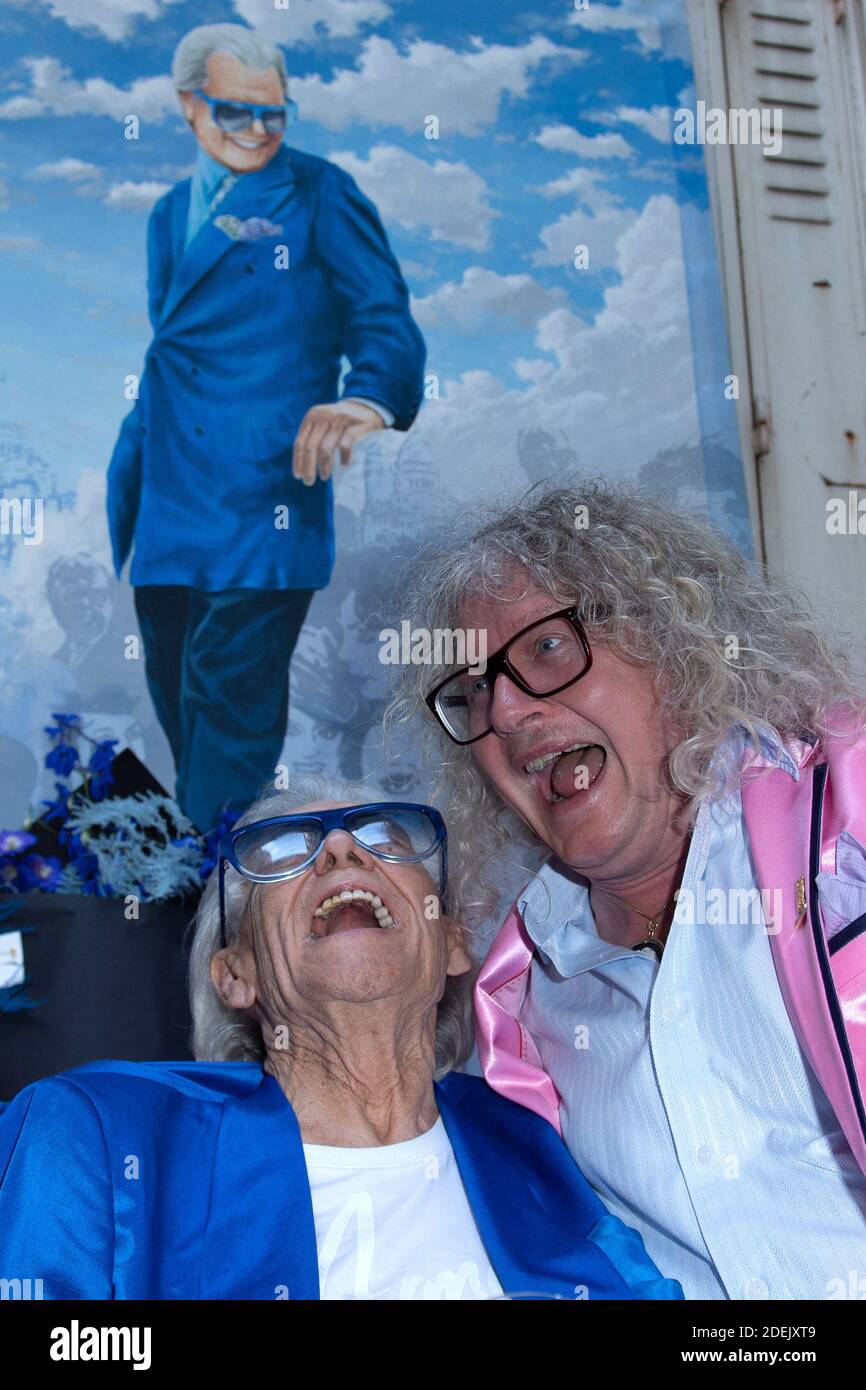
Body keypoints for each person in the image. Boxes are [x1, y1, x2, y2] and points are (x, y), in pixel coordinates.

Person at [392, 478, 866, 1300]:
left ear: (675, 643)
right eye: (472, 691)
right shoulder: (519, 1015)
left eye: (544, 647)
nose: (503, 712)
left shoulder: (848, 815)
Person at [0, 776, 681, 1302]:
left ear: (451, 944)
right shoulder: (95, 1131)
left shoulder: (537, 1147)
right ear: (235, 974)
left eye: (388, 837)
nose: (340, 848)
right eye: (282, 850)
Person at [107, 23, 426, 832]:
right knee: (183, 699)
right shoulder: (167, 213)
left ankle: (214, 901)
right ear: (187, 106)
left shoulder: (321, 193)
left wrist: (367, 400)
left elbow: (383, 317)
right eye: (234, 114)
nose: (257, 133)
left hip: (264, 499)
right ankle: (206, 873)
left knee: (229, 703)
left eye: (273, 116)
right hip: (166, 497)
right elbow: (178, 346)